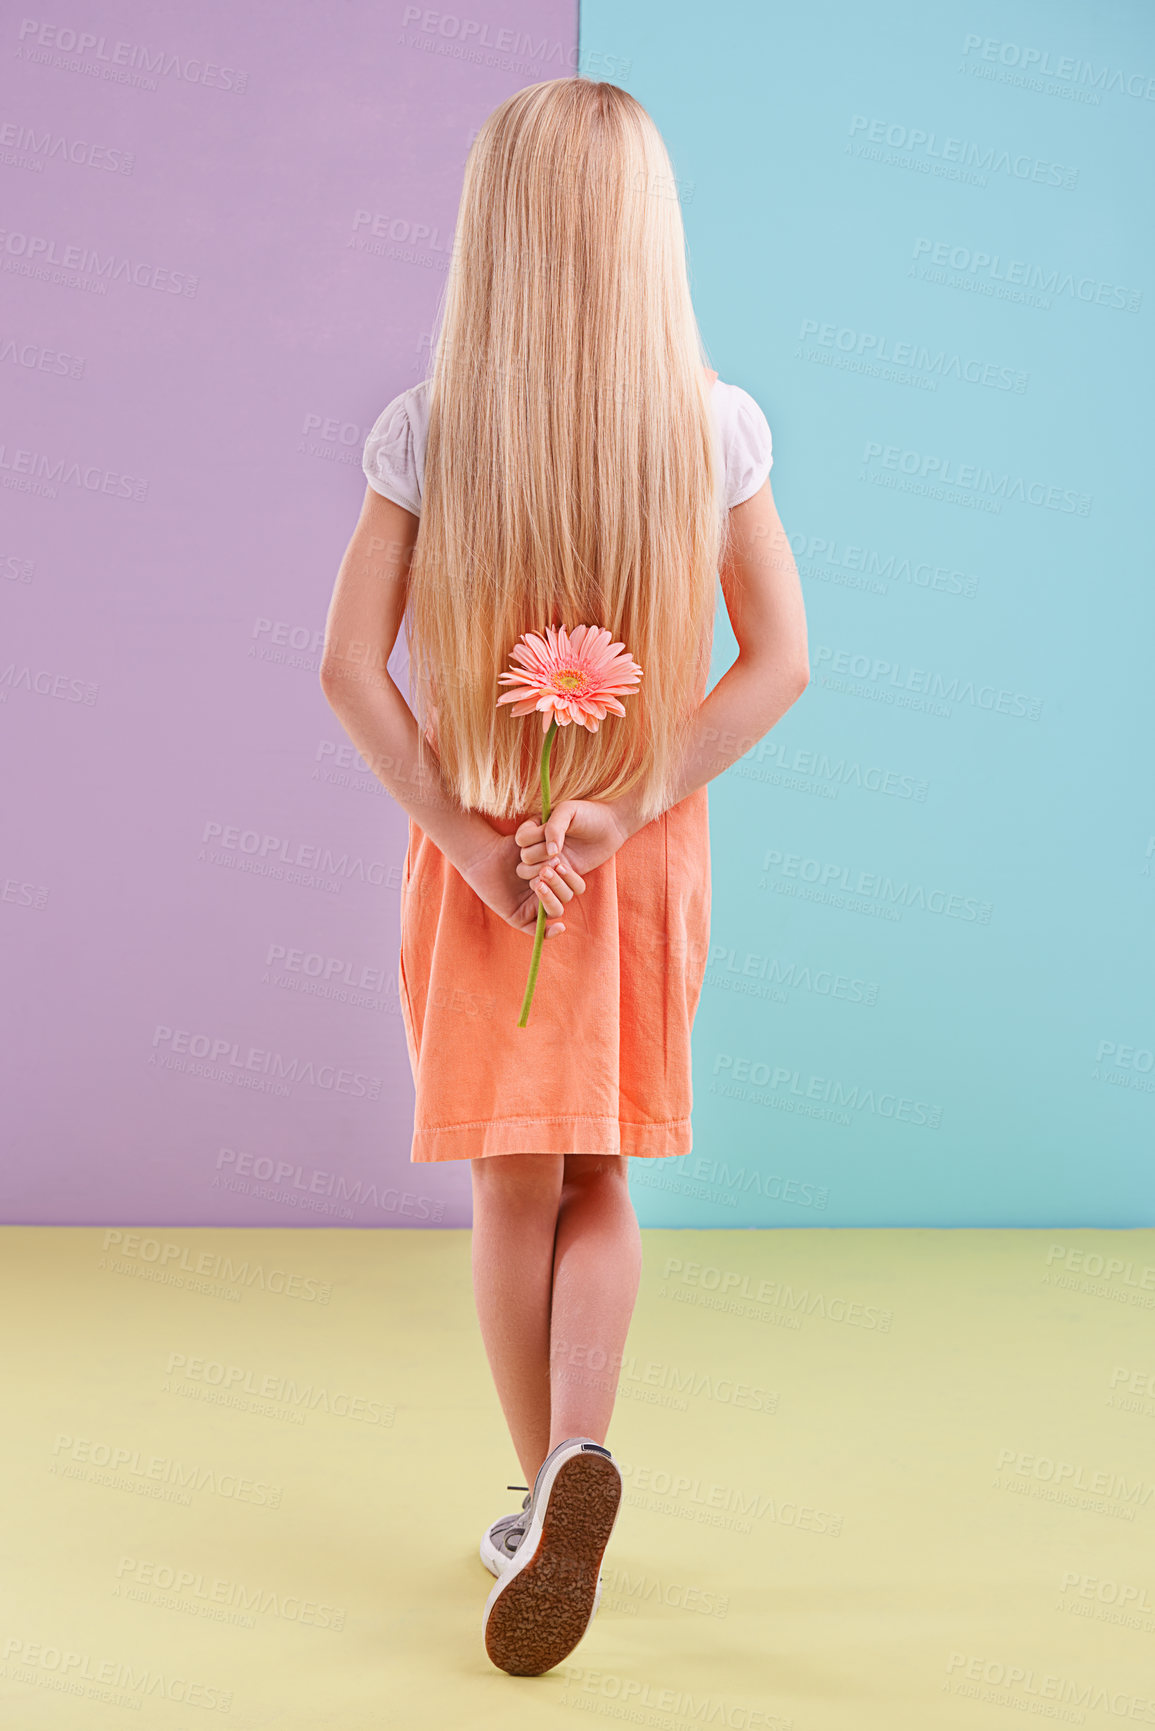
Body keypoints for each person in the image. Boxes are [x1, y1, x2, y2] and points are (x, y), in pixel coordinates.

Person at [321, 76, 809, 1678]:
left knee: (508, 1187)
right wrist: (620, 806)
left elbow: (346, 670)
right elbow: (778, 664)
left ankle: (538, 1496)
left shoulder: (428, 429)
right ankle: (579, 1465)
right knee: (602, 1179)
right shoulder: (714, 428)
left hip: (481, 870)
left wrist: (474, 838)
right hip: (637, 862)